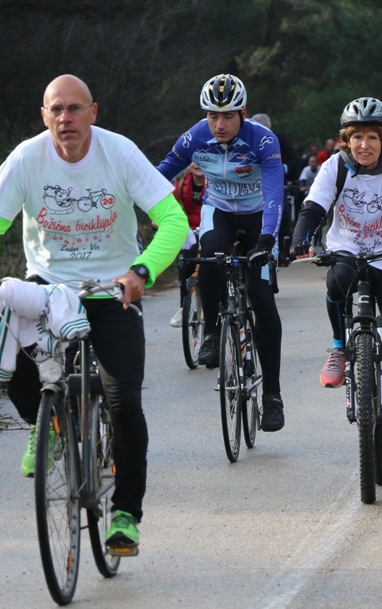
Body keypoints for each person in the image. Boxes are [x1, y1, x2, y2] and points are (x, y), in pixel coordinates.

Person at [0, 74, 188, 551]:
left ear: (94, 112)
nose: (65, 118)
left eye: (74, 108)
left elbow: (173, 220)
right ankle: (45, 425)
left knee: (123, 400)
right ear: (44, 116)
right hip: (47, 291)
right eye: (56, 110)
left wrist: (142, 270)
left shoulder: (120, 153)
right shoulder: (27, 157)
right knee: (11, 364)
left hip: (112, 292)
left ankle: (126, 514)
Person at [291, 97, 382, 463]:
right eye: (356, 137)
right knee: (335, 283)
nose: (364, 145)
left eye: (372, 137)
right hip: (348, 252)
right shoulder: (335, 167)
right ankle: (340, 347)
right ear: (346, 140)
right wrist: (299, 239)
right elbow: (314, 207)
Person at [156, 73, 286, 432]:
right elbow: (157, 175)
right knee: (209, 255)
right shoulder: (196, 136)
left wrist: (268, 240)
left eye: (227, 115)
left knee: (261, 297)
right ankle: (212, 334)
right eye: (212, 115)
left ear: (243, 113)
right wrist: (149, 209)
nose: (219, 124)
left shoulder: (263, 140)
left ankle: (273, 396)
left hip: (260, 213)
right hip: (220, 210)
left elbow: (275, 192)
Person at [169, 162, 206, 327]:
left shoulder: (215, 181)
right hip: (190, 230)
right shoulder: (181, 183)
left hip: (214, 227)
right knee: (184, 263)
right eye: (193, 160)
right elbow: (169, 205)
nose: (197, 164)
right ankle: (184, 306)